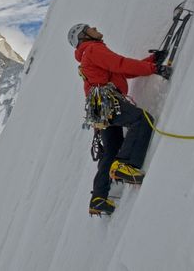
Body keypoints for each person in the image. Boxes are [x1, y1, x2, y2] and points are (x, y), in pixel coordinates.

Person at [67, 23, 171, 216]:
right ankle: (126, 165)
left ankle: (98, 198)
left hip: (99, 108)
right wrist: (155, 68)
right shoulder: (93, 49)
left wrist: (150, 61)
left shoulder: (88, 54)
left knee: (111, 149)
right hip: (107, 101)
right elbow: (121, 64)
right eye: (89, 27)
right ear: (84, 36)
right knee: (141, 120)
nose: (95, 27)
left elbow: (121, 71)